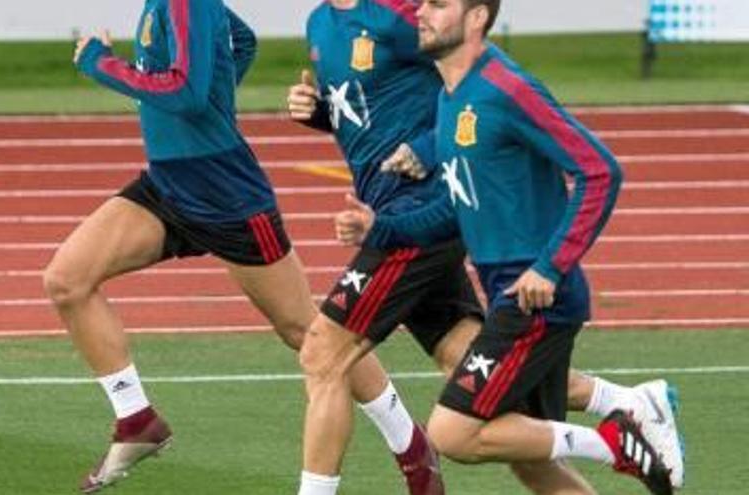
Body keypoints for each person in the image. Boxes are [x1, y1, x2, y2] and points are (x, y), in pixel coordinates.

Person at [289, 1, 683, 495]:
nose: (422, 13)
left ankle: (616, 438)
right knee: (520, 443)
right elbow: (440, 186)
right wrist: (378, 224)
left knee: (334, 358)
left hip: (525, 288)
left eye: (437, 5)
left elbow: (599, 170)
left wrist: (550, 267)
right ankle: (627, 407)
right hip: (461, 257)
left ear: (476, 17)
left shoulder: (492, 82)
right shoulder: (441, 90)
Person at [53, 2, 443, 493]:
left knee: (309, 330)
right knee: (67, 279)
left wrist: (101, 65)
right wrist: (209, 100)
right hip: (168, 185)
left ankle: (411, 446)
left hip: (225, 193)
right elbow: (243, 42)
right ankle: (137, 419)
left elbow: (187, 93)